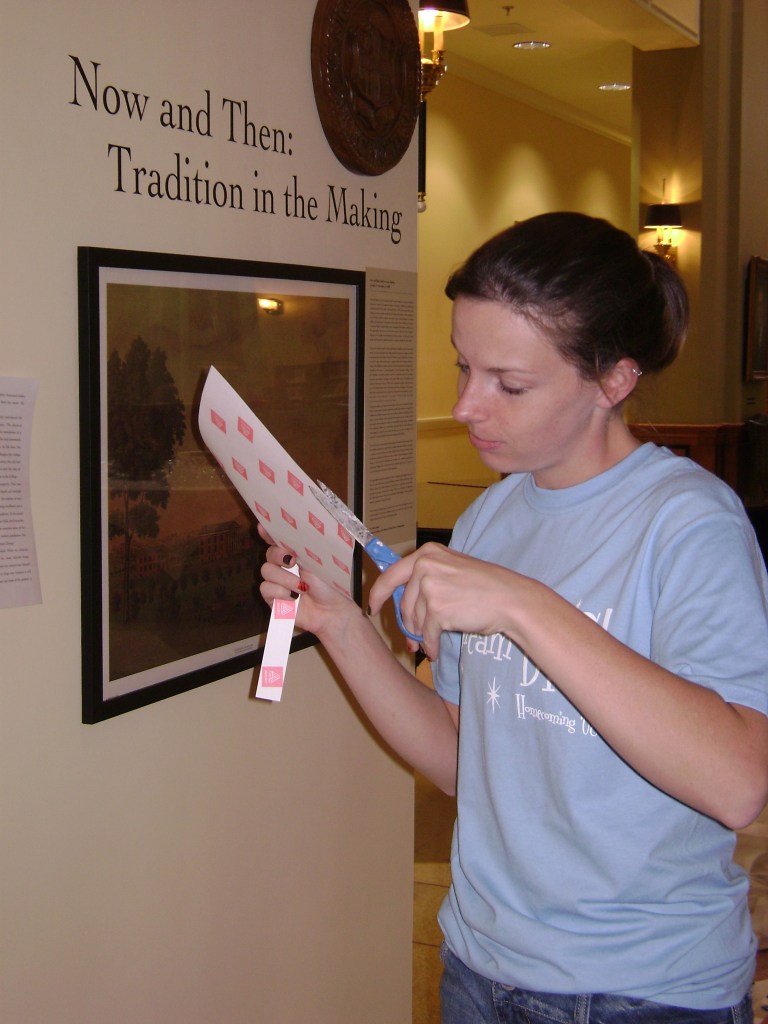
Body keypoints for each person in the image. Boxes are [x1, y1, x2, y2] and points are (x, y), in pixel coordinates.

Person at [259, 212, 768, 1023]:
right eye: (466, 368)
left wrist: (522, 604)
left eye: (510, 383)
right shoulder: (490, 522)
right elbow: (468, 763)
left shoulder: (689, 524)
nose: (465, 407)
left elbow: (738, 783)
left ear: (615, 381)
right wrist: (343, 629)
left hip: (641, 992)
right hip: (481, 966)